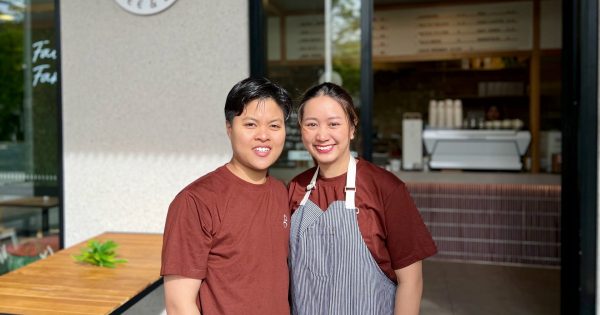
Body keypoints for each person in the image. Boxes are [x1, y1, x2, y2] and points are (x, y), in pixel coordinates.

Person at [288, 83, 437, 315]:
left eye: (334, 124)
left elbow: (411, 282)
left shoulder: (385, 188)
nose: (322, 135)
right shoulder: (295, 189)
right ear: (301, 129)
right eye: (311, 124)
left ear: (352, 128)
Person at [161, 77, 293, 315]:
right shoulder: (196, 201)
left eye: (274, 126)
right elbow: (179, 305)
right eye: (251, 124)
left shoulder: (281, 192)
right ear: (229, 128)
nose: (264, 135)